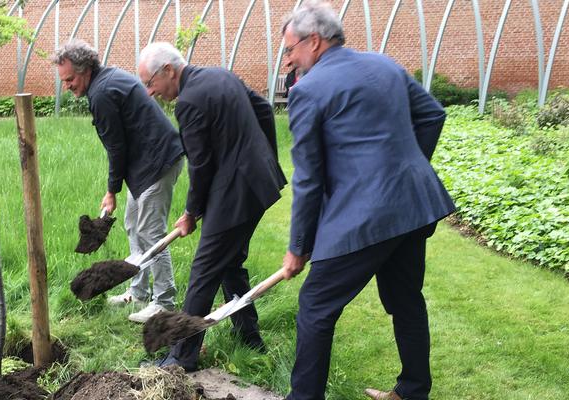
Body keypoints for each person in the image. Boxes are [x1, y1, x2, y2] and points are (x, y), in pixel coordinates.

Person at [277, 2, 455, 399]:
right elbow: (432, 115)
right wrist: (403, 169)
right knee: (406, 300)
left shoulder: (307, 90)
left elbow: (307, 178)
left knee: (316, 307)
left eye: (290, 50)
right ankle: (412, 391)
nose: (289, 60)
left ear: (315, 41)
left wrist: (298, 247)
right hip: (413, 206)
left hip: (367, 217)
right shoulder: (384, 64)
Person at [137, 42, 287, 371]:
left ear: (168, 71)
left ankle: (181, 357)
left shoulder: (188, 102)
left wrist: (191, 214)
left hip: (235, 192)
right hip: (255, 183)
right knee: (230, 263)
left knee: (203, 271)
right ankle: (249, 336)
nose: (150, 92)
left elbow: (200, 166)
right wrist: (265, 158)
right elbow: (263, 108)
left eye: (150, 83)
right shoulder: (220, 75)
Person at [53, 39, 185, 323]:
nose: (68, 85)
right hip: (146, 164)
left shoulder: (101, 94)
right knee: (133, 226)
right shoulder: (108, 78)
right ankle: (137, 293)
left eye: (71, 79)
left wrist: (111, 191)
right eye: (63, 80)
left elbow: (116, 147)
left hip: (157, 163)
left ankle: (164, 302)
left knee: (151, 234)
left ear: (86, 69)